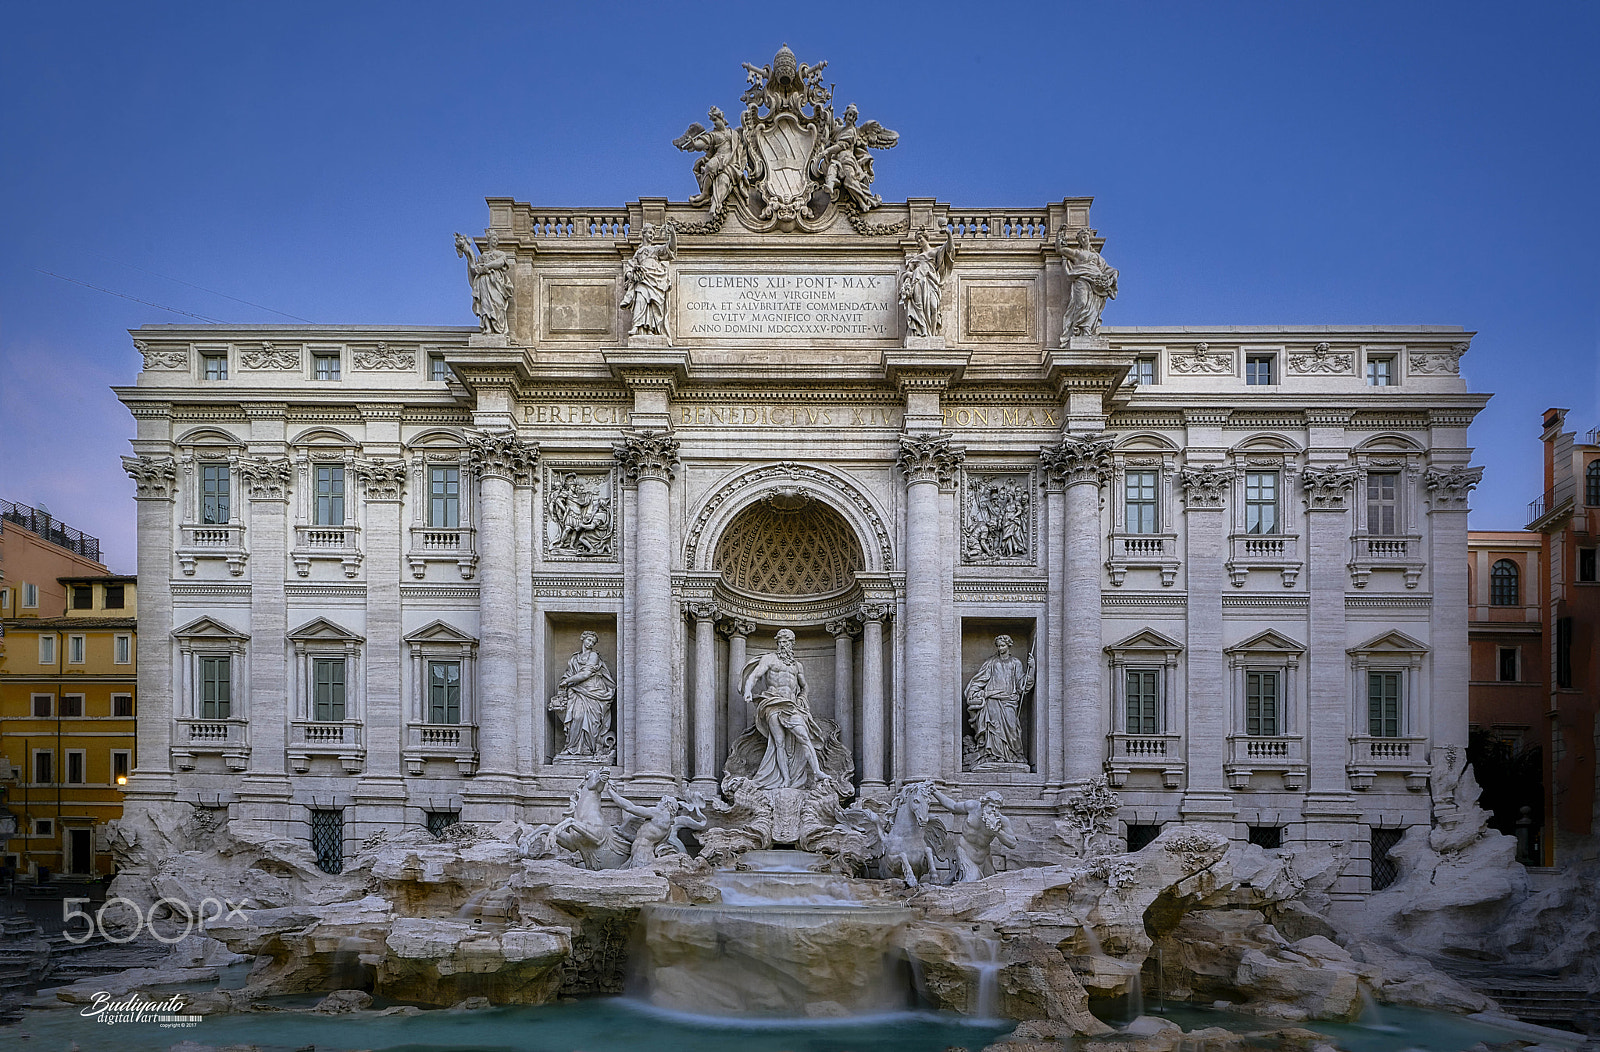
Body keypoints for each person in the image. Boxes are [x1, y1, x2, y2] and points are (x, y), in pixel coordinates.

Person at [742, 629, 828, 788]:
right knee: (779, 742)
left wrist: (803, 697)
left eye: (786, 642)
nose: (783, 645)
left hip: (791, 705)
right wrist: (748, 691)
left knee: (804, 737)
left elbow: (804, 686)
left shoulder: (797, 666)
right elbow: (754, 676)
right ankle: (786, 779)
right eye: (780, 641)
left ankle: (817, 772)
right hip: (773, 702)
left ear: (792, 644)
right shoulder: (769, 659)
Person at [963, 635, 1035, 766]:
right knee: (993, 729)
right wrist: (973, 691)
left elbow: (1022, 685)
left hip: (1009, 701)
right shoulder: (991, 662)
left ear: (1008, 646)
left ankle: (1013, 755)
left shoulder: (1015, 663)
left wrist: (1031, 669)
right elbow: (981, 679)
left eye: (1003, 645)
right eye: (999, 646)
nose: (1000, 648)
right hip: (992, 701)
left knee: (1012, 728)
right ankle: (994, 756)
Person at [549, 632, 615, 758]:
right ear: (583, 639)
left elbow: (585, 674)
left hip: (593, 691)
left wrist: (567, 681)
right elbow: (568, 674)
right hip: (577, 692)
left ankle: (589, 749)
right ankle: (573, 747)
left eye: (593, 642)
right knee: (577, 717)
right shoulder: (574, 658)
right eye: (589, 640)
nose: (590, 644)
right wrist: (565, 682)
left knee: (593, 722)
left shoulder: (593, 655)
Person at [930, 787, 1017, 882]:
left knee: (991, 883)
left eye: (997, 808)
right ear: (984, 804)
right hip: (965, 853)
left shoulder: (1002, 821)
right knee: (971, 881)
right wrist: (935, 792)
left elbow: (1012, 843)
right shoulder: (972, 807)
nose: (994, 810)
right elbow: (953, 806)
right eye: (991, 806)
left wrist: (998, 832)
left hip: (984, 858)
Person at [1058, 228, 1118, 340]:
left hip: (1096, 282)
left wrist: (1114, 275)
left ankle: (1086, 330)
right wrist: (1059, 235)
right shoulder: (1077, 253)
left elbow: (1108, 269)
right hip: (1082, 279)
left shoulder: (1097, 257)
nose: (1085, 239)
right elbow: (1060, 249)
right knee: (1082, 302)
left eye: (1086, 237)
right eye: (1082, 238)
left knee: (1093, 308)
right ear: (1079, 241)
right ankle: (1077, 329)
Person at [899, 227, 957, 337]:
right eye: (917, 240)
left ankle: (932, 334)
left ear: (926, 238)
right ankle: (923, 331)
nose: (919, 241)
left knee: (934, 307)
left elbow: (950, 248)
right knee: (919, 308)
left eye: (920, 238)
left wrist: (949, 233)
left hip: (931, 282)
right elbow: (905, 275)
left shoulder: (936, 251)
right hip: (918, 283)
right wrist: (909, 275)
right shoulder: (915, 258)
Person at [622, 223, 677, 336]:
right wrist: (632, 275)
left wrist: (672, 234)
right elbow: (629, 268)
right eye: (649, 233)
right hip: (642, 279)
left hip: (655, 280)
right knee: (640, 300)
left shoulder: (655, 249)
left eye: (653, 233)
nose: (651, 235)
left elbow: (671, 248)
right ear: (643, 233)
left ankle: (653, 328)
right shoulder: (638, 253)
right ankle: (638, 326)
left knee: (654, 305)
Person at [454, 230, 513, 335]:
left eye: (496, 240)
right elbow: (474, 268)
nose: (495, 241)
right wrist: (468, 253)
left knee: (498, 304)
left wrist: (487, 266)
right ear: (489, 241)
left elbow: (500, 262)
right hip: (484, 282)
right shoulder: (483, 256)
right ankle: (488, 328)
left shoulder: (501, 254)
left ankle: (497, 328)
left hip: (495, 283)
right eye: (493, 239)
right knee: (485, 305)